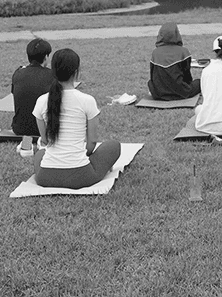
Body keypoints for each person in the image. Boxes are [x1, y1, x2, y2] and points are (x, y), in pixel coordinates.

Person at [31, 48, 124, 189]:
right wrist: (82, 157)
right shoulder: (87, 100)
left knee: (40, 154)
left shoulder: (42, 101)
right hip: (81, 176)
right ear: (76, 72)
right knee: (113, 146)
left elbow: (44, 141)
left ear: (53, 71)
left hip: (45, 177)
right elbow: (92, 142)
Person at [11, 38, 57, 143]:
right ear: (46, 57)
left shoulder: (18, 73)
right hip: (45, 130)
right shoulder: (53, 75)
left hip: (19, 129)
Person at [147, 24, 200, 101]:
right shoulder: (184, 52)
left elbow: (153, 76)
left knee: (150, 82)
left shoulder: (155, 53)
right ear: (177, 35)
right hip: (182, 92)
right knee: (199, 82)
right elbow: (187, 75)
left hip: (158, 94)